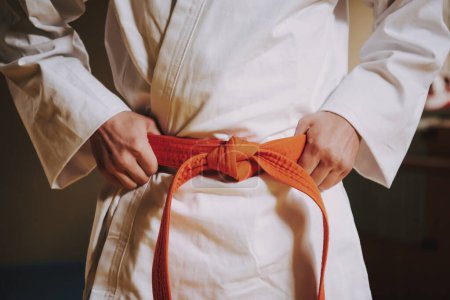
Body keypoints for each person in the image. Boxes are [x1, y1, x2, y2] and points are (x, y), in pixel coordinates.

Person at [1, 0, 449, 299]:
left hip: (292, 205)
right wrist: (93, 117)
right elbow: (23, 19)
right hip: (158, 201)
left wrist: (357, 115)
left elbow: (416, 13)